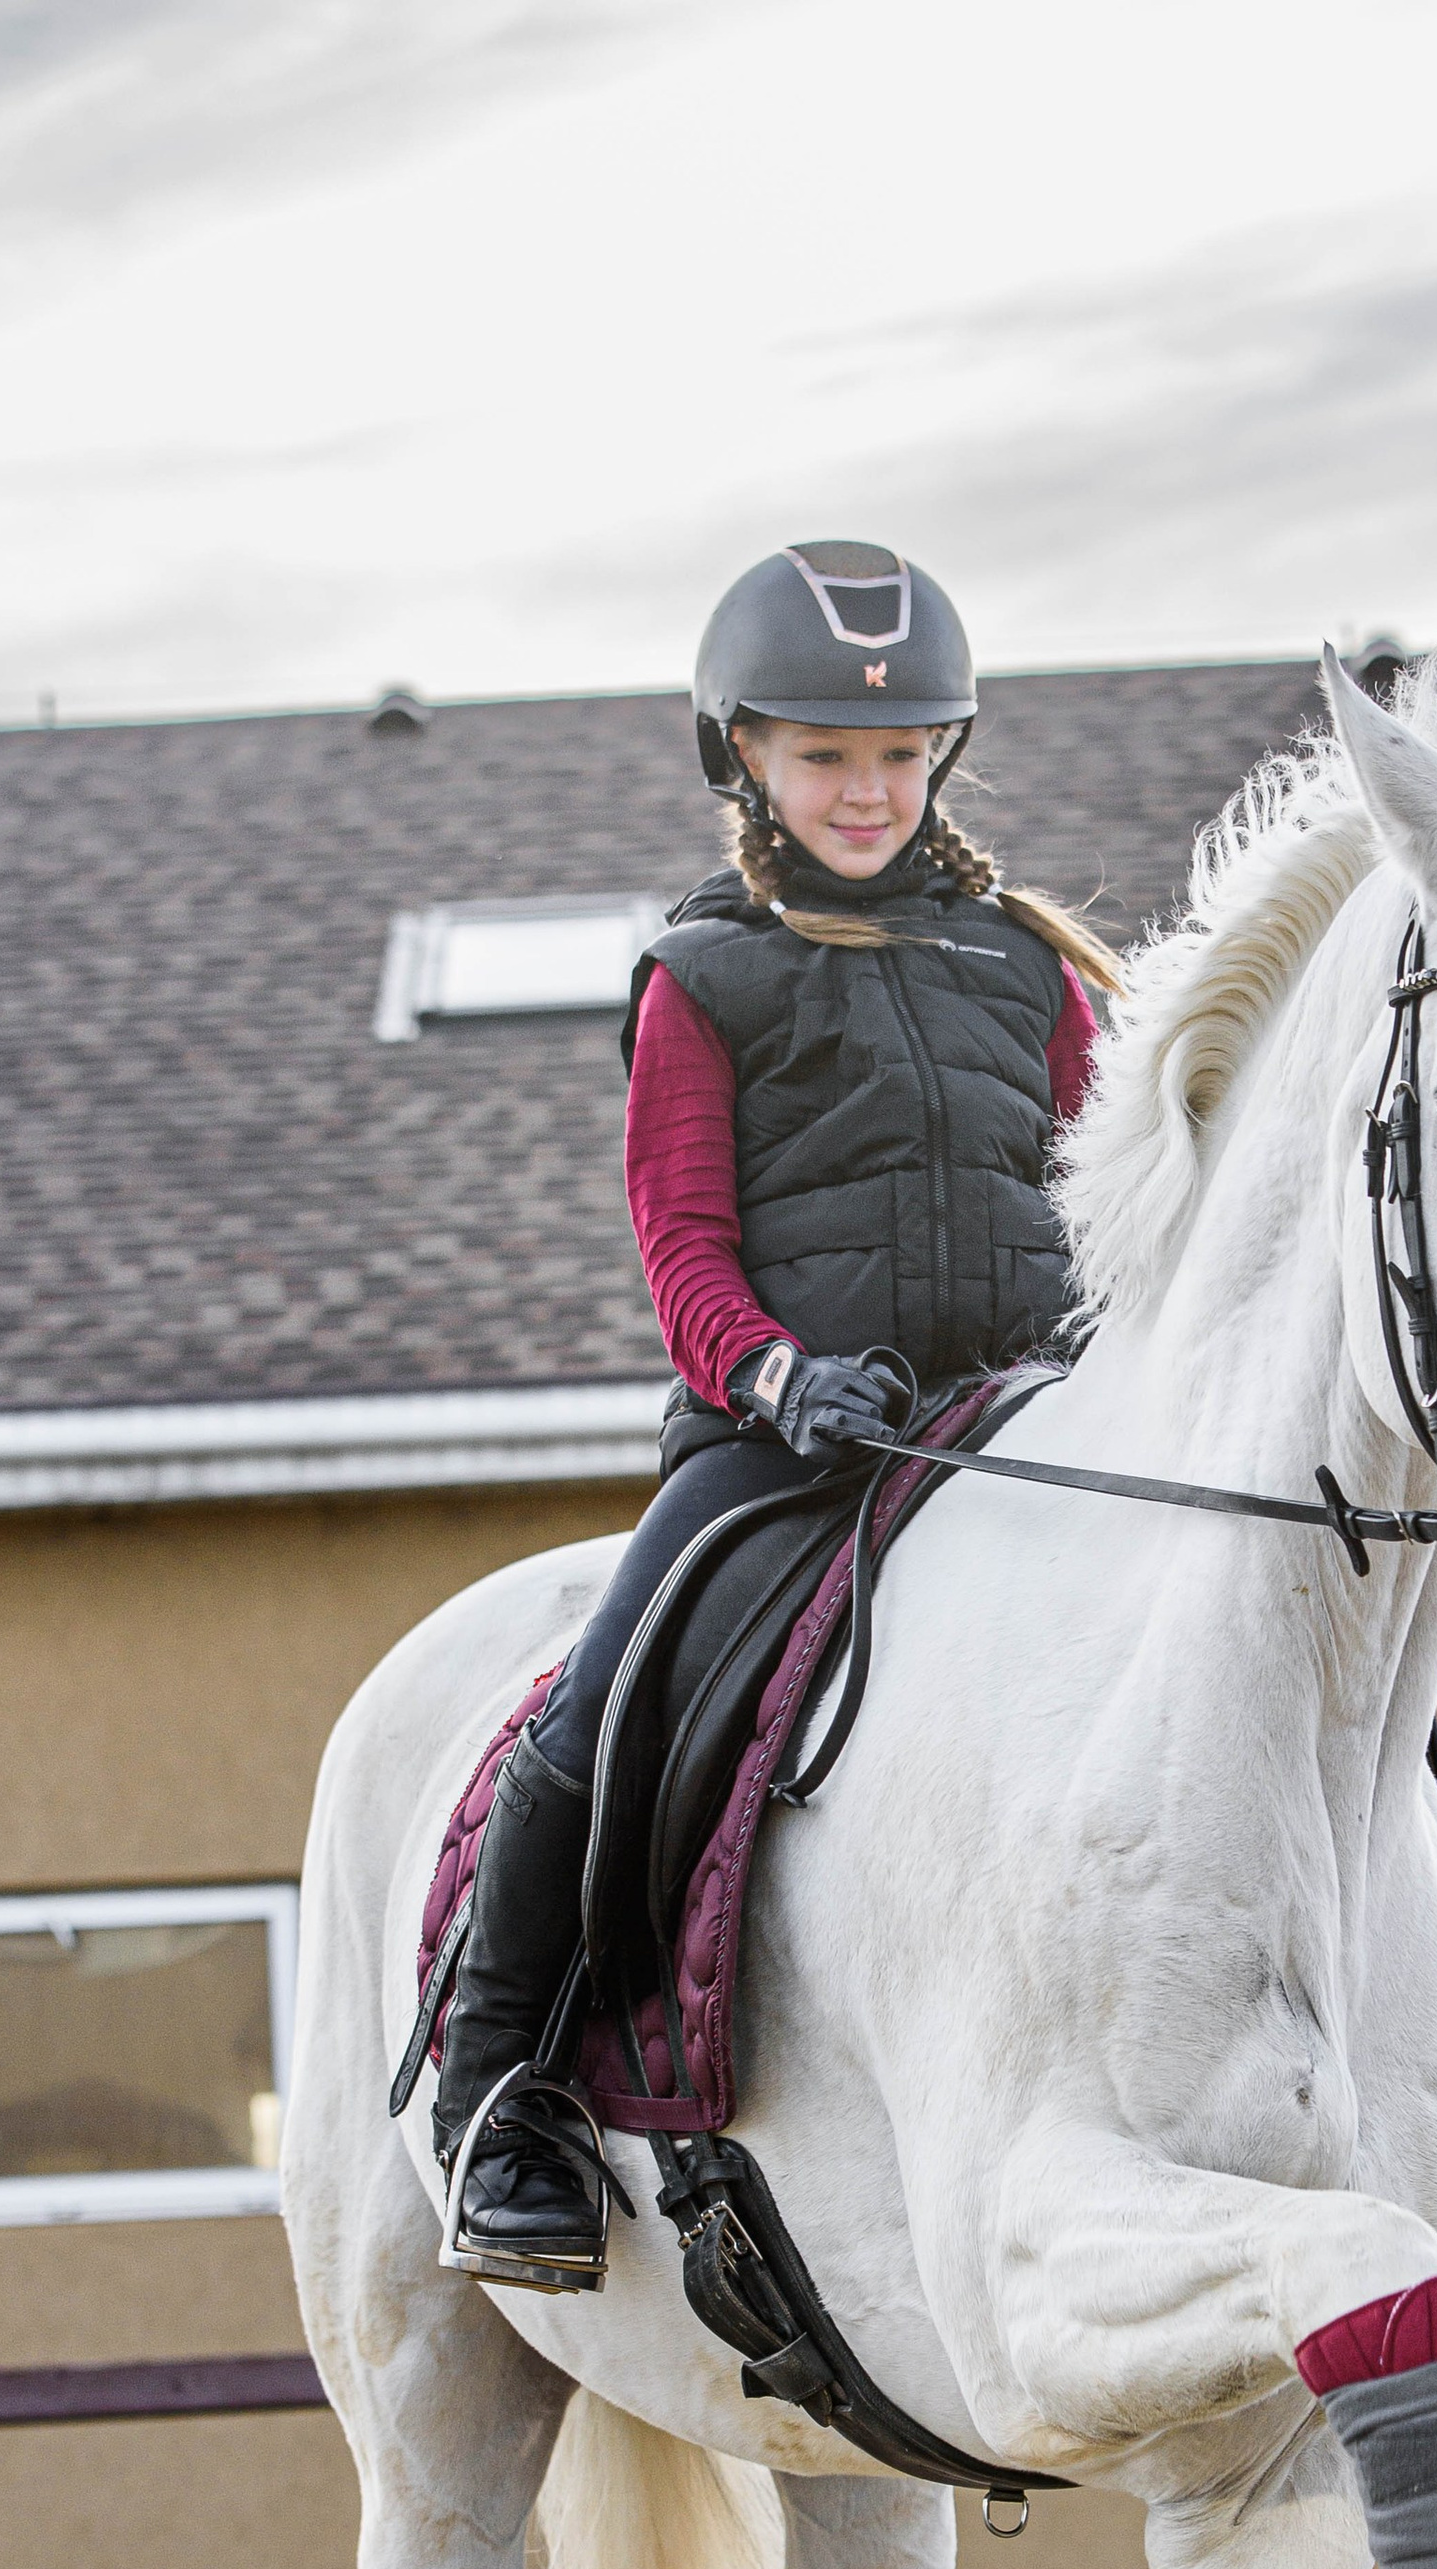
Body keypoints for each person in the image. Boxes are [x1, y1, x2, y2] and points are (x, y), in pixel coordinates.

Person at [428, 542, 1122, 2286]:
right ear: (742, 755)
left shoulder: (1028, 966)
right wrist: (780, 1376)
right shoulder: (702, 973)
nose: (868, 790)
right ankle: (499, 2087)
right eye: (824, 756)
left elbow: (1118, 1198)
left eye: (900, 755)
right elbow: (682, 1245)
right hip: (788, 1442)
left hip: (1021, 1421)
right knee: (605, 1697)